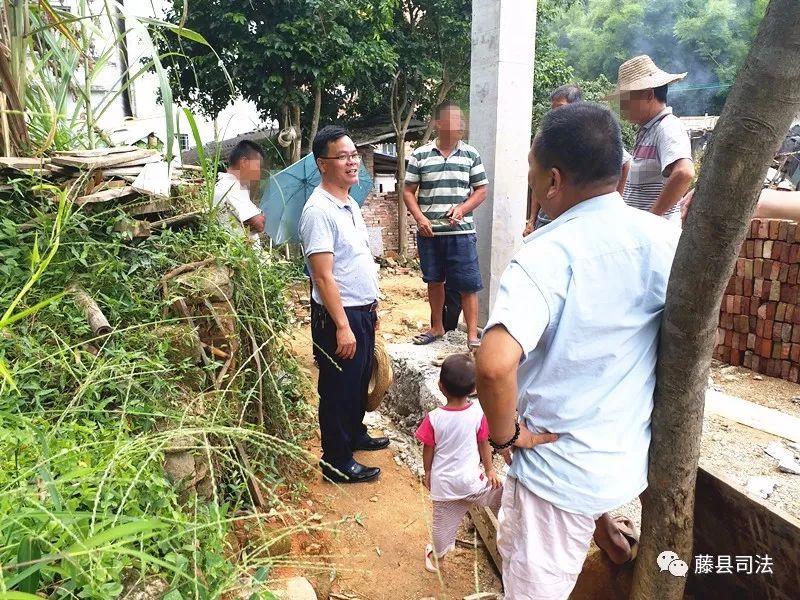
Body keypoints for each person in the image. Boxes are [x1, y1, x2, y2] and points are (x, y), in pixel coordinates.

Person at [475, 102, 680, 599]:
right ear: (623, 170)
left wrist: (504, 439)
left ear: (552, 181)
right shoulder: (665, 239)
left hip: (553, 479)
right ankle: (601, 527)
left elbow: (495, 364)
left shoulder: (547, 253)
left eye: (531, 174)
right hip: (621, 464)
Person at [299, 125, 389, 484]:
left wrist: (372, 311)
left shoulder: (349, 203)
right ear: (323, 164)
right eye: (343, 156)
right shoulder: (318, 211)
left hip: (360, 310)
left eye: (354, 155)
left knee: (357, 382)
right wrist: (342, 325)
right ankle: (336, 462)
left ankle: (354, 435)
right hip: (340, 315)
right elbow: (323, 277)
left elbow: (356, 261)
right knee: (337, 390)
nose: (352, 162)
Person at [404, 101, 489, 351]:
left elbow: (482, 190)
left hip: (461, 233)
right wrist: (420, 219)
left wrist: (462, 209)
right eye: (455, 120)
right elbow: (408, 191)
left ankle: (472, 335)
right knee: (434, 280)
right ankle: (437, 327)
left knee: (468, 284)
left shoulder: (471, 154)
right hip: (430, 233)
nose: (460, 125)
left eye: (462, 120)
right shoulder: (420, 155)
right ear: (439, 123)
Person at [415, 353, 502, 573]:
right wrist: (490, 469)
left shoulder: (434, 418)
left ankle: (436, 556)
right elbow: (484, 443)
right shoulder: (477, 413)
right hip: (473, 483)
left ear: (440, 386)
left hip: (446, 488)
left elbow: (429, 449)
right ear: (474, 388)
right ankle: (519, 528)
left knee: (441, 531)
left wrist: (428, 472)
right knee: (505, 494)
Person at [523, 85, 632, 236]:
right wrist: (532, 219)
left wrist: (613, 198)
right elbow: (538, 179)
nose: (556, 113)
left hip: (578, 219)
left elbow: (625, 162)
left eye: (560, 107)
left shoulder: (588, 136)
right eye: (553, 108)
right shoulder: (546, 137)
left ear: (576, 106)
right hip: (547, 219)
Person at [609, 54, 694, 223]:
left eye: (627, 99)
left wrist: (651, 219)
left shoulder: (667, 127)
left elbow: (684, 172)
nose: (622, 106)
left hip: (656, 238)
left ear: (648, 95)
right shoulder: (647, 130)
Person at [213, 140, 266, 244]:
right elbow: (259, 224)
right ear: (244, 162)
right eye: (258, 167)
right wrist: (262, 215)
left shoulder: (227, 185)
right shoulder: (231, 186)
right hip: (243, 257)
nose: (259, 174)